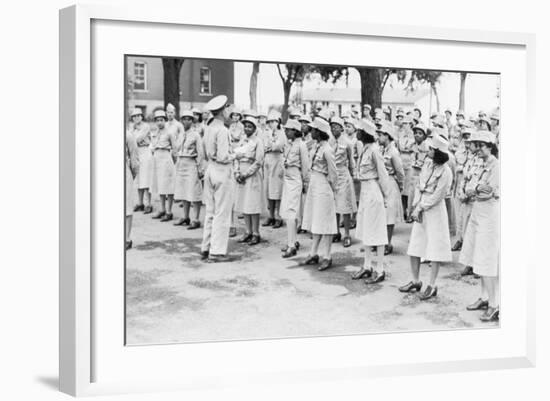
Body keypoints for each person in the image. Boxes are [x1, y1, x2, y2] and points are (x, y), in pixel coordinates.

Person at [399, 134, 453, 300]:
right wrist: (416, 205)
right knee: (415, 245)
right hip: (421, 209)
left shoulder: (446, 171)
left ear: (438, 152)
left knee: (435, 249)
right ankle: (415, 281)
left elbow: (438, 195)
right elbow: (419, 185)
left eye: (431, 148)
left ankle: (432, 285)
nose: (428, 150)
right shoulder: (427, 164)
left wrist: (421, 207)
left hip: (434, 212)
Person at [459, 130, 500, 322]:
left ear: (490, 147)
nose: (478, 148)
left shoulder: (496, 166)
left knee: (487, 259)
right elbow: (470, 187)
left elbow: (488, 192)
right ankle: (484, 297)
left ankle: (494, 304)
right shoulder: (480, 164)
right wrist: (475, 189)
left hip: (489, 215)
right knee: (477, 257)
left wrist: (475, 189)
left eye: (482, 145)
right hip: (478, 211)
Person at [351, 119, 390, 284]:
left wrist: (386, 197)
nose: (357, 133)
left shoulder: (374, 150)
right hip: (365, 191)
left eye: (359, 130)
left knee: (377, 231)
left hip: (374, 191)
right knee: (366, 230)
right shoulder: (364, 149)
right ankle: (367, 266)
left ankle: (380, 269)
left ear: (365, 133)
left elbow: (383, 175)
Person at [200, 95, 235, 262]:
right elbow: (223, 156)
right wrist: (237, 154)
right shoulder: (222, 130)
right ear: (222, 111)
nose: (229, 111)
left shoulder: (208, 127)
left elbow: (207, 153)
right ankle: (217, 252)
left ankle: (206, 247)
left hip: (210, 169)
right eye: (227, 108)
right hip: (221, 170)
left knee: (211, 212)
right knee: (222, 212)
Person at [301, 117, 338, 271]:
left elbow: (333, 174)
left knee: (326, 223)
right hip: (315, 185)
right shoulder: (316, 146)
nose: (312, 131)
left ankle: (327, 256)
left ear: (320, 132)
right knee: (316, 220)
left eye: (314, 130)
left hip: (323, 186)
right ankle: (313, 252)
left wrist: (332, 190)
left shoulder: (328, 150)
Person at [280, 119, 310, 257]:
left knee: (291, 212)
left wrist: (305, 183)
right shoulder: (289, 144)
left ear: (296, 131)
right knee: (289, 211)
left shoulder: (301, 145)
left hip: (295, 179)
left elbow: (305, 167)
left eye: (289, 129)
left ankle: (292, 246)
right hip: (287, 179)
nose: (286, 132)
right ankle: (293, 240)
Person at [233, 116, 265, 246]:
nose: (247, 128)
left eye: (250, 126)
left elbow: (258, 162)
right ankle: (247, 231)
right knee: (244, 204)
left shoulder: (258, 142)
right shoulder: (241, 141)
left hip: (252, 176)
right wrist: (236, 172)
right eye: (245, 126)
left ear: (255, 128)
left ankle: (256, 233)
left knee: (252, 204)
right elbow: (235, 156)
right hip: (241, 174)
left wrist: (245, 174)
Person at [173, 110, 205, 229]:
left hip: (191, 164)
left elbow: (200, 153)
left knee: (194, 192)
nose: (186, 121)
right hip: (181, 163)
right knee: (183, 191)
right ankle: (185, 217)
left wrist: (200, 169)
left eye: (189, 119)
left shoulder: (196, 135)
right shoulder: (180, 134)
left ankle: (196, 219)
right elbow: (176, 149)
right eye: (184, 119)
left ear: (192, 121)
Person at [378, 121, 405, 255]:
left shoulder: (393, 152)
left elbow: (400, 171)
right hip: (382, 182)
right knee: (382, 214)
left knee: (389, 215)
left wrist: (400, 186)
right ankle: (381, 242)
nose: (379, 138)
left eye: (381, 135)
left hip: (390, 182)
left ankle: (387, 243)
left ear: (387, 136)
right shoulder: (382, 150)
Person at [330, 117, 357, 247]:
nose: (334, 128)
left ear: (341, 128)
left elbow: (351, 161)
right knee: (334, 206)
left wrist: (354, 174)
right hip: (332, 175)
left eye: (336, 126)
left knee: (345, 207)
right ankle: (336, 231)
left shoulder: (347, 142)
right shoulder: (329, 141)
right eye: (332, 126)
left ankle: (347, 234)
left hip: (343, 174)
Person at [150, 109, 177, 222]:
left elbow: (175, 149)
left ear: (165, 120)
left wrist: (172, 161)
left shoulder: (169, 132)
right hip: (157, 157)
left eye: (161, 120)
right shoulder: (155, 133)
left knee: (168, 185)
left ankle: (169, 211)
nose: (159, 122)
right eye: (157, 120)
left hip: (166, 157)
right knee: (160, 185)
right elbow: (152, 146)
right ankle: (162, 209)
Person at [262, 110, 286, 228]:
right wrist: (269, 146)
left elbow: (278, 146)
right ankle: (270, 215)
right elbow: (263, 146)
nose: (271, 124)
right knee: (268, 189)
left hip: (277, 161)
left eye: (274, 121)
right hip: (268, 161)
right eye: (269, 121)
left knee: (277, 190)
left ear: (278, 121)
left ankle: (278, 216)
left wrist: (270, 146)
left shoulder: (282, 133)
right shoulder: (266, 133)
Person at [451, 125, 474, 251]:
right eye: (464, 137)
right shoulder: (459, 152)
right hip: (459, 185)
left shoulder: (475, 155)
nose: (466, 140)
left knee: (468, 218)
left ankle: (465, 241)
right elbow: (456, 168)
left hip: (469, 187)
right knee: (458, 215)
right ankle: (459, 239)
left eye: (469, 138)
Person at [129, 108, 153, 214]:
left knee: (146, 178)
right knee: (138, 179)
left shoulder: (146, 126)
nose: (136, 118)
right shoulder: (132, 128)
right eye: (134, 116)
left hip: (145, 151)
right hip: (137, 152)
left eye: (138, 115)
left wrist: (133, 136)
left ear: (142, 116)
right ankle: (140, 203)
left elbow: (137, 139)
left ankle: (148, 203)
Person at [407, 123, 430, 221]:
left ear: (424, 136)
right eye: (415, 133)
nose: (417, 135)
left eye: (420, 133)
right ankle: (410, 215)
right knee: (411, 195)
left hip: (422, 174)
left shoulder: (427, 147)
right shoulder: (412, 146)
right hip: (413, 174)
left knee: (420, 197)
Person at [397, 115, 415, 220]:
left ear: (410, 124)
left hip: (410, 160)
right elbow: (400, 148)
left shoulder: (414, 135)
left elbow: (413, 148)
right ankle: (404, 210)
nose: (405, 125)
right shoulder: (400, 135)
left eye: (406, 123)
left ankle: (409, 212)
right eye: (403, 123)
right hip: (402, 160)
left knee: (409, 189)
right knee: (403, 189)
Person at [125, 131, 139, 250]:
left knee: (127, 206)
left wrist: (132, 174)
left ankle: (127, 238)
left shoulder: (128, 135)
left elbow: (134, 159)